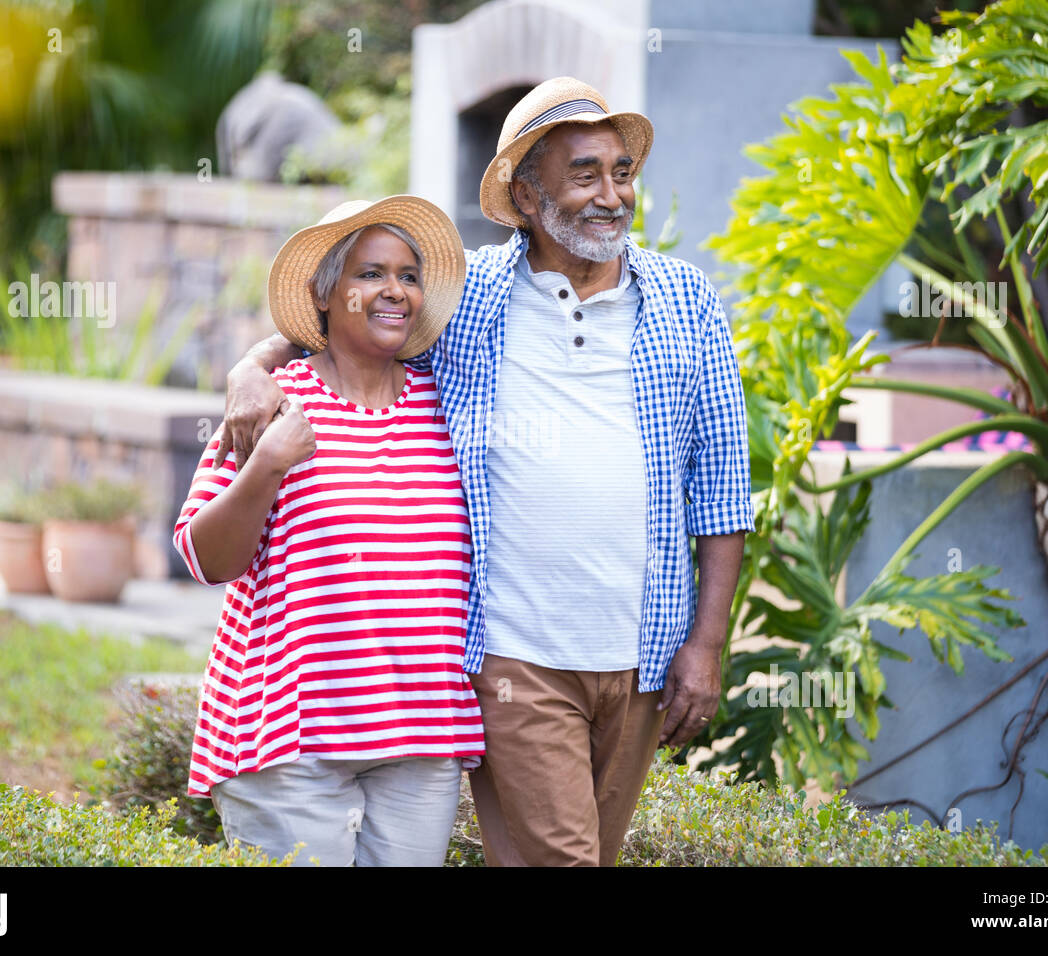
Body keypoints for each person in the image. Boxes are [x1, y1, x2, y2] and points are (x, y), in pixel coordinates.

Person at [219, 77, 754, 866]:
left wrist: (704, 647)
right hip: (516, 654)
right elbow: (353, 322)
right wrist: (253, 364)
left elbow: (722, 485)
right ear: (528, 195)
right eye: (585, 174)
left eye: (622, 172)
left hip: (642, 647)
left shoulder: (686, 299)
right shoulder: (469, 296)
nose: (612, 195)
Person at [173, 196, 484, 866]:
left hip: (421, 736)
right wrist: (266, 464)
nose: (395, 290)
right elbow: (205, 558)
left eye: (407, 274)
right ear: (324, 292)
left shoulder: (447, 400)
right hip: (290, 738)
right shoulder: (273, 401)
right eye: (370, 274)